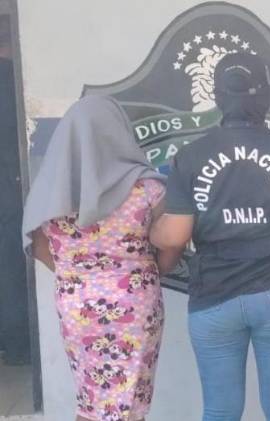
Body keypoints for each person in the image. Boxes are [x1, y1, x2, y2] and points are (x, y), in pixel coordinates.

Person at [149, 52, 270, 421]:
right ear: (265, 94)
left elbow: (174, 236)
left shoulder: (191, 155)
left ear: (218, 96)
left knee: (220, 410)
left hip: (214, 295)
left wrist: (152, 228)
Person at [23, 95, 180, 421]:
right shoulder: (148, 188)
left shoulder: (50, 190)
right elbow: (171, 243)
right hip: (135, 303)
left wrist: (76, 276)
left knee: (90, 401)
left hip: (77, 304)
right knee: (131, 404)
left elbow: (36, 244)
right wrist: (149, 274)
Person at [0, 24, 30, 365]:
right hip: (11, 184)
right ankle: (20, 344)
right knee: (11, 265)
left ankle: (12, 342)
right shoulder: (11, 79)